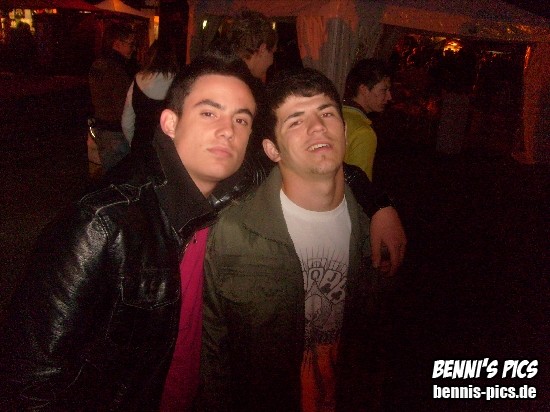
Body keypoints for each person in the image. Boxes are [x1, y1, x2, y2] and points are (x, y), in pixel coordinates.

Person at [0, 54, 259, 411]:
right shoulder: (104, 222)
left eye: (241, 119)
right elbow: (29, 376)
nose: (228, 130)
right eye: (209, 113)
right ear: (170, 123)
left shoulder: (232, 202)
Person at [199, 67, 386, 411]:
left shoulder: (372, 229)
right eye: (296, 121)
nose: (317, 127)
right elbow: (213, 351)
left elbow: (375, 344)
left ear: (345, 131)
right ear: (273, 150)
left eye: (326, 113)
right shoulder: (233, 234)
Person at [216, 10, 406, 274]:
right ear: (261, 49)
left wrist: (377, 203)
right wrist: (376, 202)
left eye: (327, 114)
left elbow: (313, 158)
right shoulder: (241, 94)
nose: (272, 60)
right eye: (296, 121)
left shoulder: (228, 81)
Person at [89, 22, 138, 172]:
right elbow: (123, 107)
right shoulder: (117, 70)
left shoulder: (98, 64)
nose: (134, 48)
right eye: (130, 44)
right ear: (117, 44)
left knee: (110, 174)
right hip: (116, 133)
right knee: (120, 176)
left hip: (103, 128)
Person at [121, 38, 179, 161]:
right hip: (168, 151)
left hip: (141, 147)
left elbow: (126, 121)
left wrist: (134, 142)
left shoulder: (138, 80)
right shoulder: (178, 83)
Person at [343, 58, 393, 181]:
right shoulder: (363, 132)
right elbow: (359, 187)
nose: (389, 97)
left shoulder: (334, 114)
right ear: (364, 90)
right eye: (384, 90)